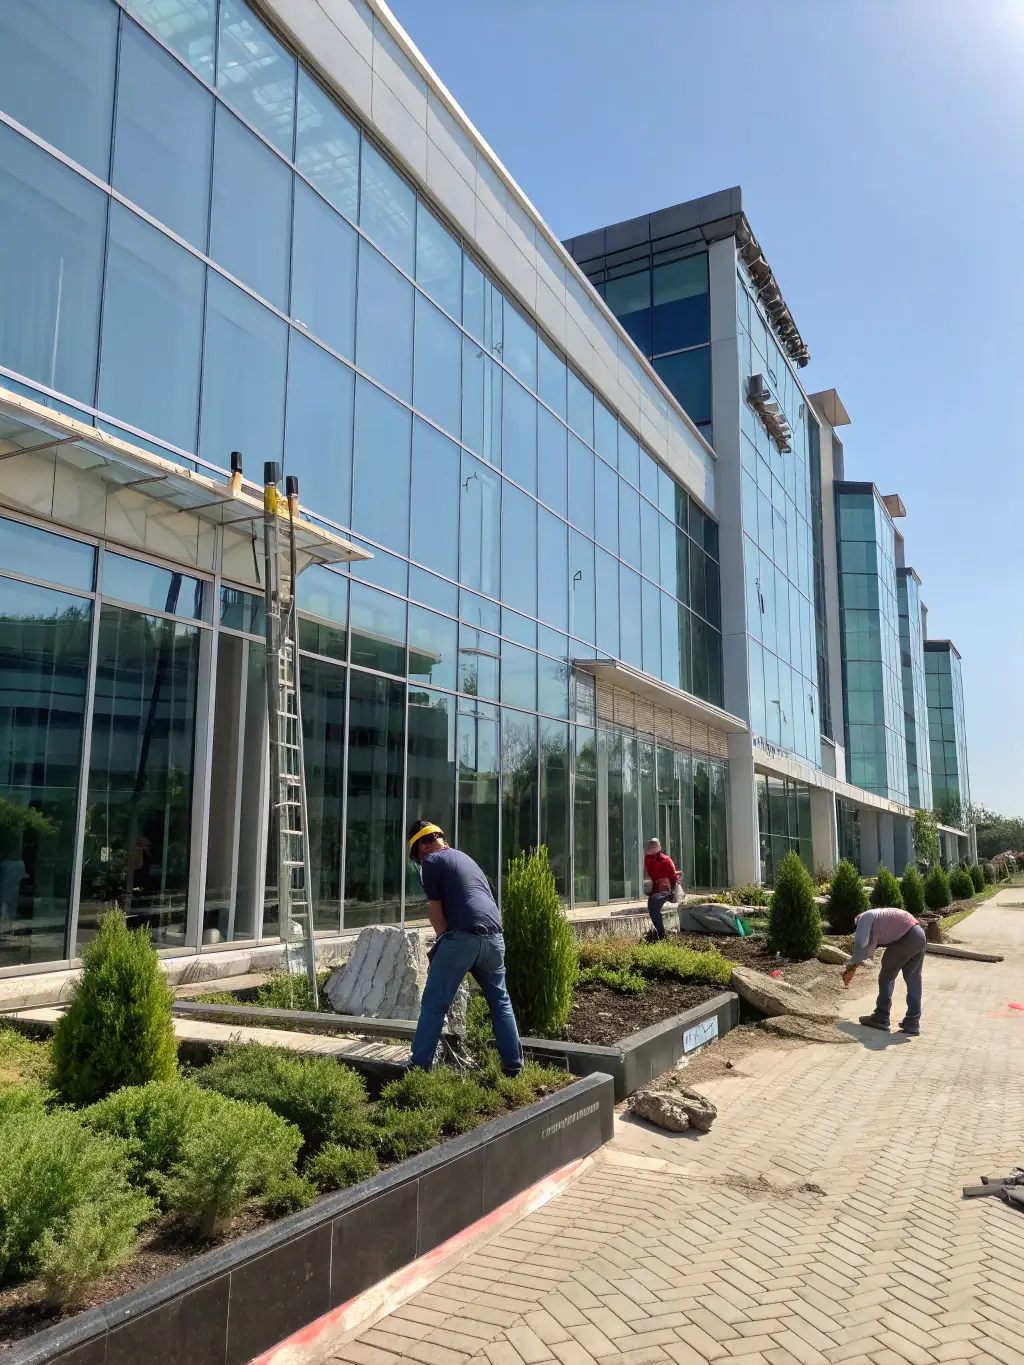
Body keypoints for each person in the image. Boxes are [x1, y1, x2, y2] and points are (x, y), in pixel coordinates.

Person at [406, 820, 523, 1075]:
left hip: (462, 938)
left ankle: (417, 1070)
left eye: (417, 856)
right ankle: (513, 1066)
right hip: (494, 939)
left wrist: (444, 942)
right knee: (500, 1001)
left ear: (422, 849)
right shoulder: (466, 859)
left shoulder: (431, 862)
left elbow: (435, 910)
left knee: (435, 1004)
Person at [841, 906, 927, 1036]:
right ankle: (913, 1022)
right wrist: (855, 965)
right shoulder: (879, 917)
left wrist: (851, 968)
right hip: (919, 935)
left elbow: (861, 944)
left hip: (907, 938)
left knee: (886, 976)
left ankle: (881, 1016)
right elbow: (869, 946)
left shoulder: (864, 918)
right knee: (913, 979)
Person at [643, 837, 678, 941]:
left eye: (654, 846)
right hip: (655, 889)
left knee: (653, 903)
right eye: (650, 846)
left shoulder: (666, 860)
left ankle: (661, 933)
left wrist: (674, 892)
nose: (651, 848)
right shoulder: (648, 858)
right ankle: (660, 932)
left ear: (659, 847)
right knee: (652, 906)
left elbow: (674, 877)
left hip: (666, 889)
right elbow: (649, 873)